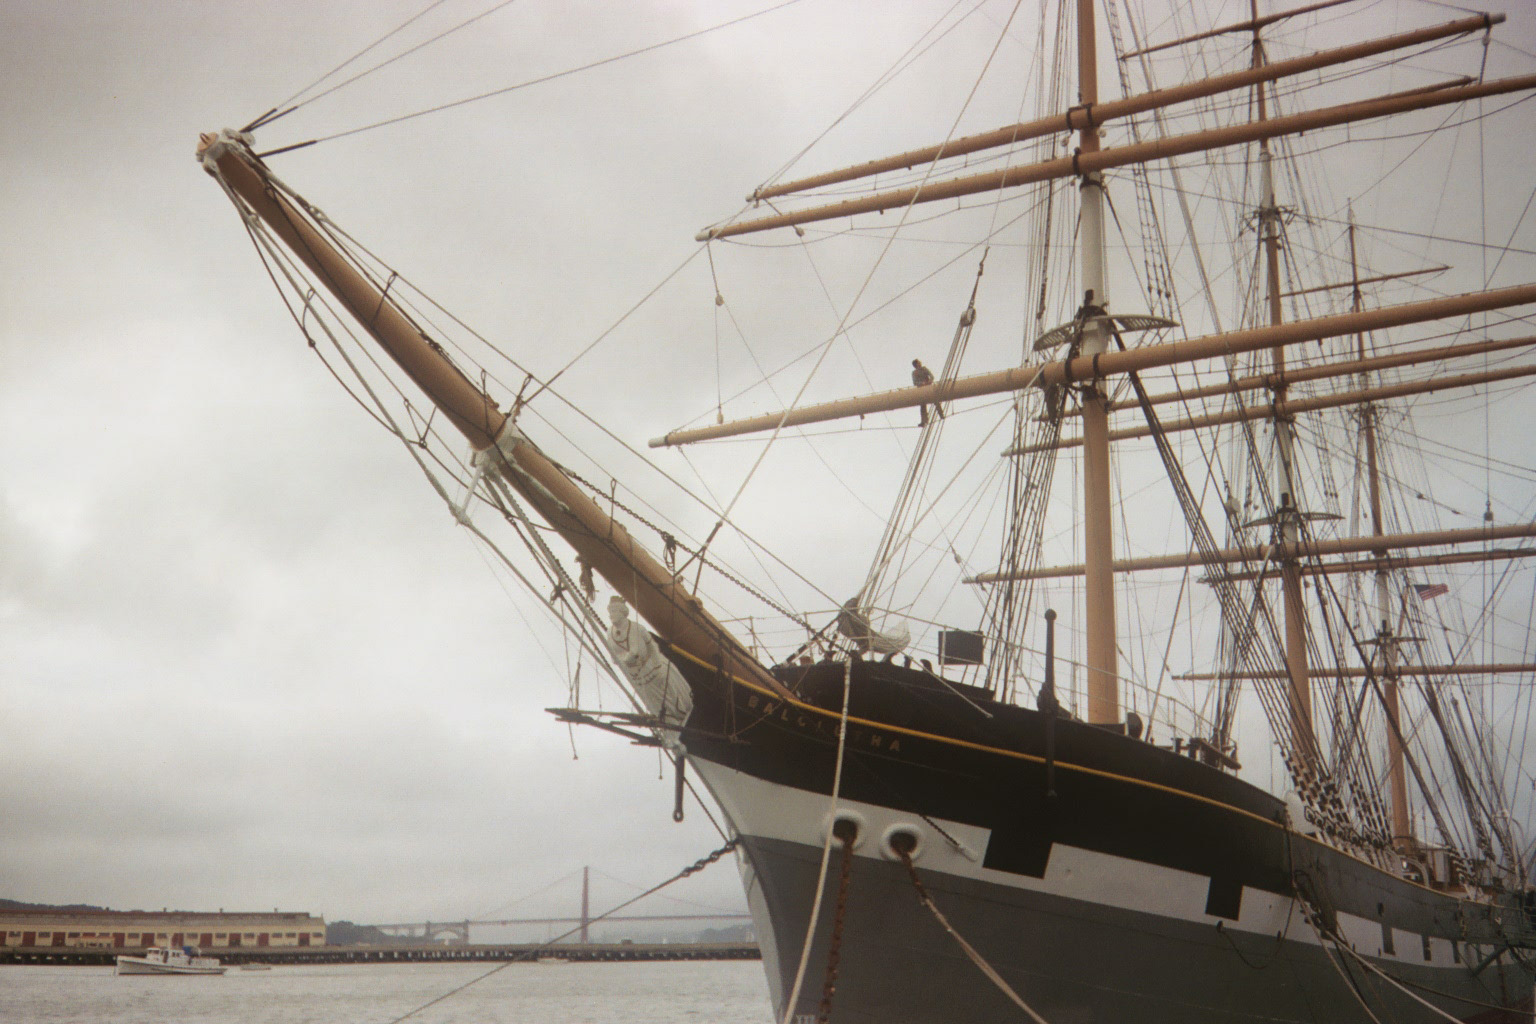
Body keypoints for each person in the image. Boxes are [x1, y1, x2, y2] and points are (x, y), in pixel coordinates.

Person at [911, 358, 941, 426]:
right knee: (922, 406)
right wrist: (922, 383)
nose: (920, 363)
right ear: (916, 364)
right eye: (918, 362)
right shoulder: (914, 373)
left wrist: (929, 381)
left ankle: (941, 413)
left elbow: (932, 376)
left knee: (935, 400)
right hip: (921, 389)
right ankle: (924, 421)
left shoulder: (924, 369)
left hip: (928, 387)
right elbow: (915, 382)